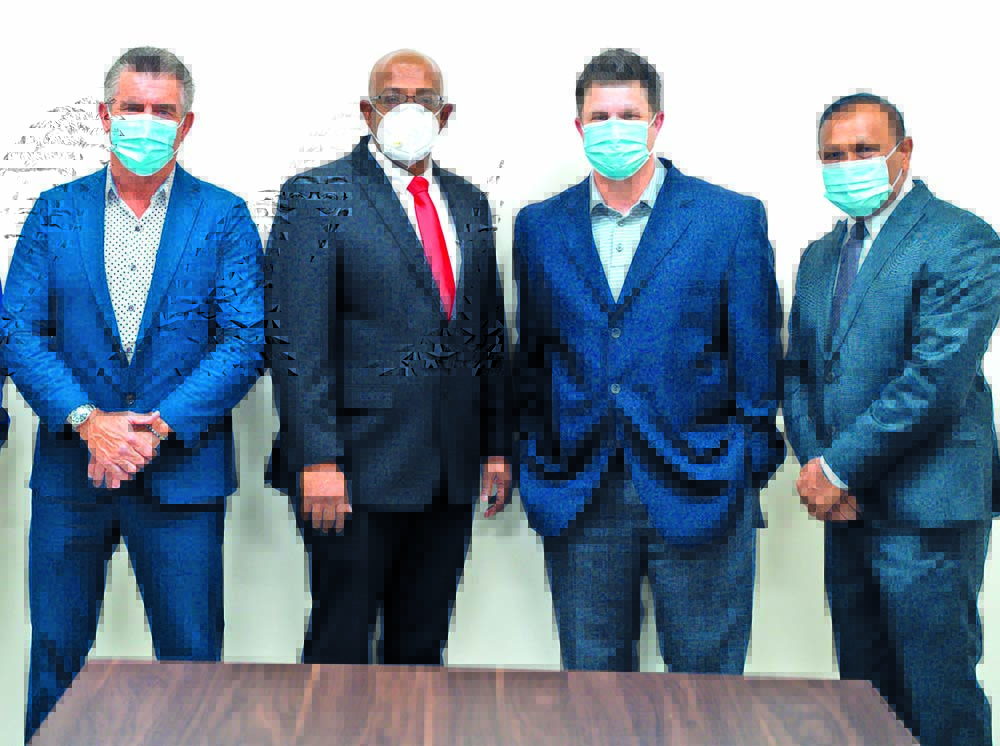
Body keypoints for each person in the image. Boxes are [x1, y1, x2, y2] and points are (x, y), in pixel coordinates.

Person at [6, 47, 265, 741]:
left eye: (162, 111)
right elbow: (19, 331)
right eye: (132, 109)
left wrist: (155, 428)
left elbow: (245, 339)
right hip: (71, 477)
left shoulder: (223, 217)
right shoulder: (55, 212)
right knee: (56, 656)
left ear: (186, 124)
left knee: (191, 666)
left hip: (181, 479)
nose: (146, 123)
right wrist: (88, 421)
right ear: (104, 115)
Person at [512, 48, 784, 673]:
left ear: (656, 123)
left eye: (629, 115)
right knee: (595, 689)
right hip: (581, 489)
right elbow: (535, 355)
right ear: (579, 127)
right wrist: (534, 456)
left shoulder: (727, 218)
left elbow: (757, 353)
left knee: (705, 690)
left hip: (702, 486)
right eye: (600, 116)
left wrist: (744, 462)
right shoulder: (539, 226)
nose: (614, 128)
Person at [266, 49, 509, 665]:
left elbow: (485, 333)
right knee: (341, 647)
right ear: (367, 110)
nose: (408, 109)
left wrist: (494, 445)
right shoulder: (316, 196)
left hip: (448, 471)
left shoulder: (470, 202)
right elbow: (297, 341)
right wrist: (317, 458)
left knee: (421, 651)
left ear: (445, 114)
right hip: (353, 470)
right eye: (392, 97)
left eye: (423, 99)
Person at [784, 92, 1000, 746]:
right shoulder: (821, 255)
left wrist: (839, 467)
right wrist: (817, 467)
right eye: (833, 155)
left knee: (939, 700)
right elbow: (799, 371)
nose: (847, 165)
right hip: (846, 515)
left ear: (903, 153)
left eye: (864, 150)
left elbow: (934, 381)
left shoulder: (962, 239)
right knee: (864, 701)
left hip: (926, 515)